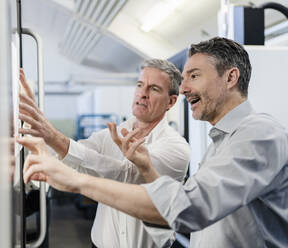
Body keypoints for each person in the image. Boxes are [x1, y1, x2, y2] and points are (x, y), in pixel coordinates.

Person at [18, 37, 288, 248]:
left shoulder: (259, 134)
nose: (185, 89)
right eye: (140, 85)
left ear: (231, 77)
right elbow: (186, 220)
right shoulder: (220, 144)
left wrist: (76, 179)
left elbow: (188, 206)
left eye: (194, 76)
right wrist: (34, 151)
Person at [18, 59, 191, 247]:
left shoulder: (176, 147)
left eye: (154, 89)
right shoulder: (107, 135)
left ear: (171, 101)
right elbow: (69, 162)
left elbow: (127, 175)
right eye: (140, 85)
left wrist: (53, 136)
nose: (143, 93)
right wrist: (32, 126)